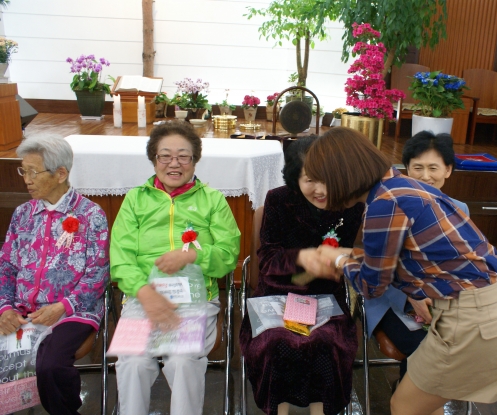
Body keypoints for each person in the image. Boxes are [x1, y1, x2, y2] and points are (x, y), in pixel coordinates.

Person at [305, 127, 497, 415]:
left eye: (322, 180)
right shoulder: (399, 187)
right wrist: (348, 255)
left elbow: (372, 285)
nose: (320, 190)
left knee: (405, 405)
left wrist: (338, 260)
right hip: (493, 305)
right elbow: (396, 261)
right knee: (423, 405)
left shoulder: (385, 204)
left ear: (343, 174)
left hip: (473, 318)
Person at [110, 122, 241, 415]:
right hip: (143, 298)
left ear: (194, 160)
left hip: (195, 299)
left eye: (183, 156)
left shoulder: (213, 200)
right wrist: (145, 294)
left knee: (183, 362)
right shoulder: (135, 199)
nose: (174, 164)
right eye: (165, 156)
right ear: (153, 159)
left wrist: (193, 255)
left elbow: (228, 255)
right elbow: (121, 258)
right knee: (132, 362)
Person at [239, 136, 363, 415]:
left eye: (329, 180)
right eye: (310, 180)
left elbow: (351, 255)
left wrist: (343, 260)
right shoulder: (278, 200)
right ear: (295, 177)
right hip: (276, 293)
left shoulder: (352, 205)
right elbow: (267, 259)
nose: (321, 190)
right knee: (276, 342)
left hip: (325, 296)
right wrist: (301, 258)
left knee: (327, 343)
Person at [0, 134, 110, 415]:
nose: (27, 179)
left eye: (33, 172)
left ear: (61, 174)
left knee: (50, 365)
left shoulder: (91, 215)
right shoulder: (23, 214)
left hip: (74, 311)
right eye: (23, 171)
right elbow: (6, 266)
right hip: (22, 309)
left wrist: (62, 307)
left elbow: (98, 274)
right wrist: (6, 308)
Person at [365, 131, 471, 380]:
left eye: (433, 168)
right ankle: (408, 396)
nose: (425, 176)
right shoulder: (386, 207)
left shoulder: (460, 209)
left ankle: (422, 396)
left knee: (465, 342)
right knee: (424, 347)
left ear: (448, 170)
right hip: (391, 299)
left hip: (442, 299)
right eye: (417, 168)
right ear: (406, 170)